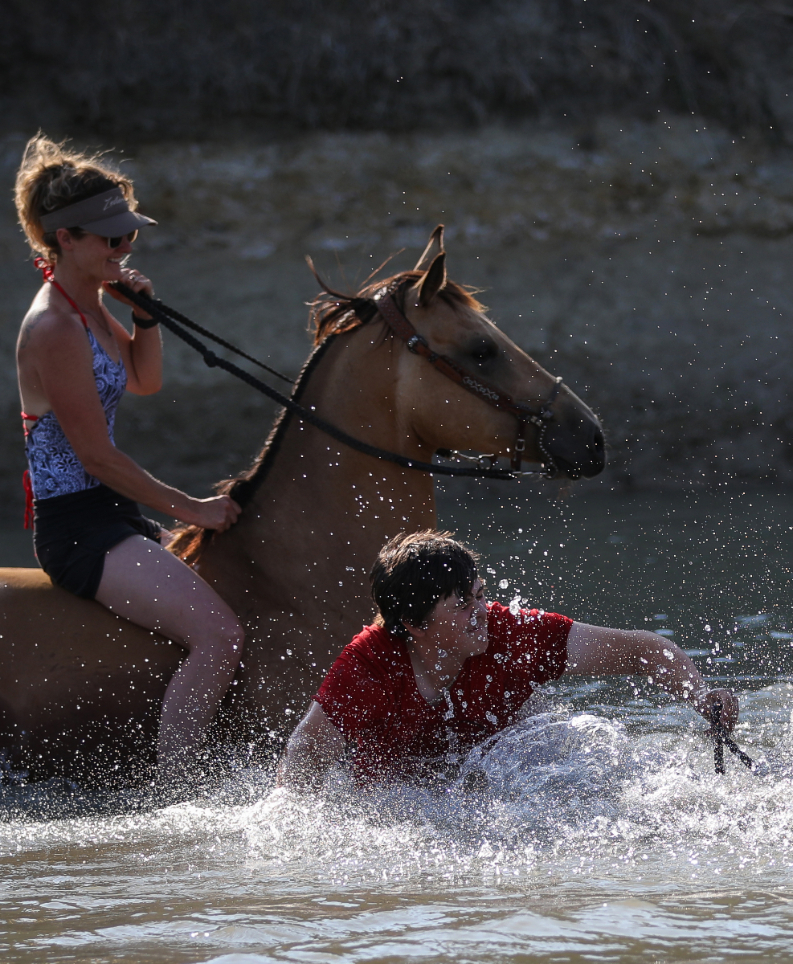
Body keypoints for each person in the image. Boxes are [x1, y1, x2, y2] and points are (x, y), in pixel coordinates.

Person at [13, 135, 244, 775]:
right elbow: (98, 458)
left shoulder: (88, 308)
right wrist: (193, 508)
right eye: (111, 240)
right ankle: (178, 793)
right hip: (79, 527)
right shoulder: (55, 327)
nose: (124, 248)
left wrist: (145, 316)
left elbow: (143, 380)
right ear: (65, 240)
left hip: (110, 512)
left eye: (129, 237)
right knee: (220, 638)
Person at [277, 530, 739, 787]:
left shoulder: (512, 632)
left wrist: (701, 696)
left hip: (515, 770)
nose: (481, 614)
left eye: (479, 596)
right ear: (414, 626)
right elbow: (302, 762)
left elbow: (643, 649)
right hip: (409, 795)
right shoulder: (367, 667)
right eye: (461, 606)